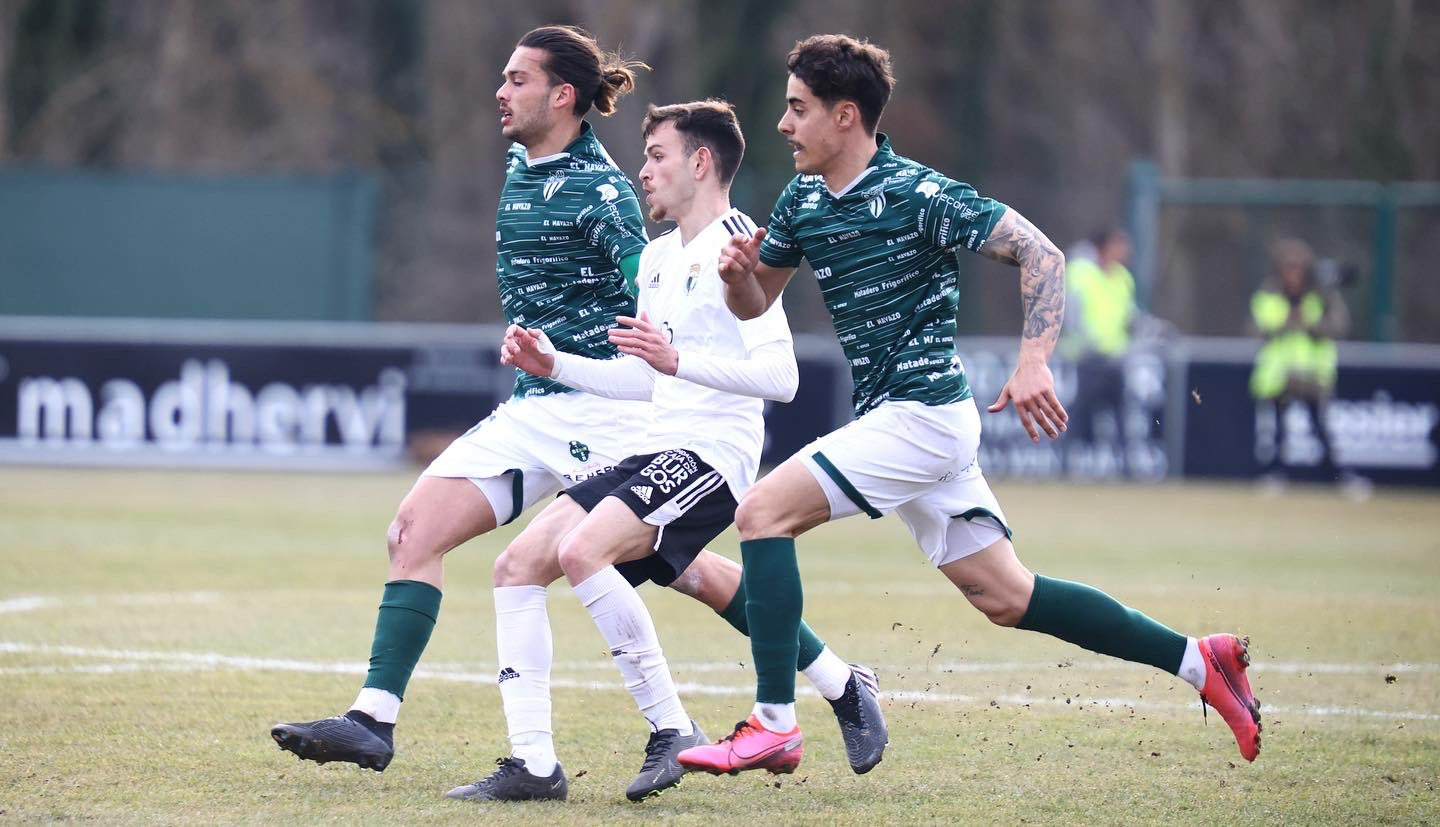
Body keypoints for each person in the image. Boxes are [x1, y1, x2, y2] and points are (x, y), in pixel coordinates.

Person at [268, 26, 879, 781]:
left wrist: (679, 347)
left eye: (517, 79)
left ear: (562, 95)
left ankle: (807, 690)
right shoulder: (524, 166)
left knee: (664, 566)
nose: (500, 91)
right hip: (542, 402)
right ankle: (377, 719)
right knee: (417, 531)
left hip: (617, 421)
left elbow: (670, 305)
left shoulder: (610, 197)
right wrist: (549, 361)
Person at [677, 34, 1262, 778]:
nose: (784, 125)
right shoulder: (801, 200)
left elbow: (1040, 253)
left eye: (798, 110)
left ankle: (774, 724)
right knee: (1008, 595)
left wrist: (1033, 361)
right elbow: (759, 302)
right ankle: (1197, 659)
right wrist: (737, 277)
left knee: (761, 513)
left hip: (922, 417)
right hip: (898, 422)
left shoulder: (921, 194)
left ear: (845, 115)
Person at [444, 100, 886, 805]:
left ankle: (672, 727)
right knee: (516, 564)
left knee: (582, 551)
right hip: (651, 446)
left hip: (712, 456)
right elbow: (645, 378)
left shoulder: (741, 247)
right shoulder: (655, 259)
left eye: (656, 156)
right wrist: (553, 362)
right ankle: (533, 763)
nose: (643, 171)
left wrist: (679, 362)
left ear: (701, 162)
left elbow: (782, 377)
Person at [1250, 238, 1349, 487]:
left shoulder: (1321, 296)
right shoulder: (1269, 294)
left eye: (1298, 267)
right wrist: (1288, 323)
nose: (1292, 273)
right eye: (1288, 267)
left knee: (1320, 428)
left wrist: (1311, 325)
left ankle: (1336, 477)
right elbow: (1258, 328)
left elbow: (1339, 325)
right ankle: (1276, 474)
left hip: (1312, 375)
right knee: (1279, 431)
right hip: (1279, 375)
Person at [1064, 226, 1138, 449]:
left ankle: (1128, 471)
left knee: (1121, 415)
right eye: (1119, 244)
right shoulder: (1081, 272)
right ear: (1105, 246)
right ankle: (1069, 466)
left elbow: (1129, 316)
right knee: (1081, 415)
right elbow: (1071, 314)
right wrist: (1086, 342)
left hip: (1115, 359)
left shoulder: (1123, 277)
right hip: (1088, 359)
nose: (1125, 251)